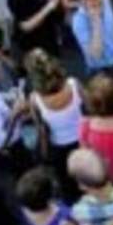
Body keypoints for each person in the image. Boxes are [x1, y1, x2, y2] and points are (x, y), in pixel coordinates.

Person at [25, 49, 83, 195]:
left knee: (70, 186)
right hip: (84, 138)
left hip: (60, 148)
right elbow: (90, 107)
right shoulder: (74, 84)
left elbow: (41, 130)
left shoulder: (35, 99)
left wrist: (44, 154)